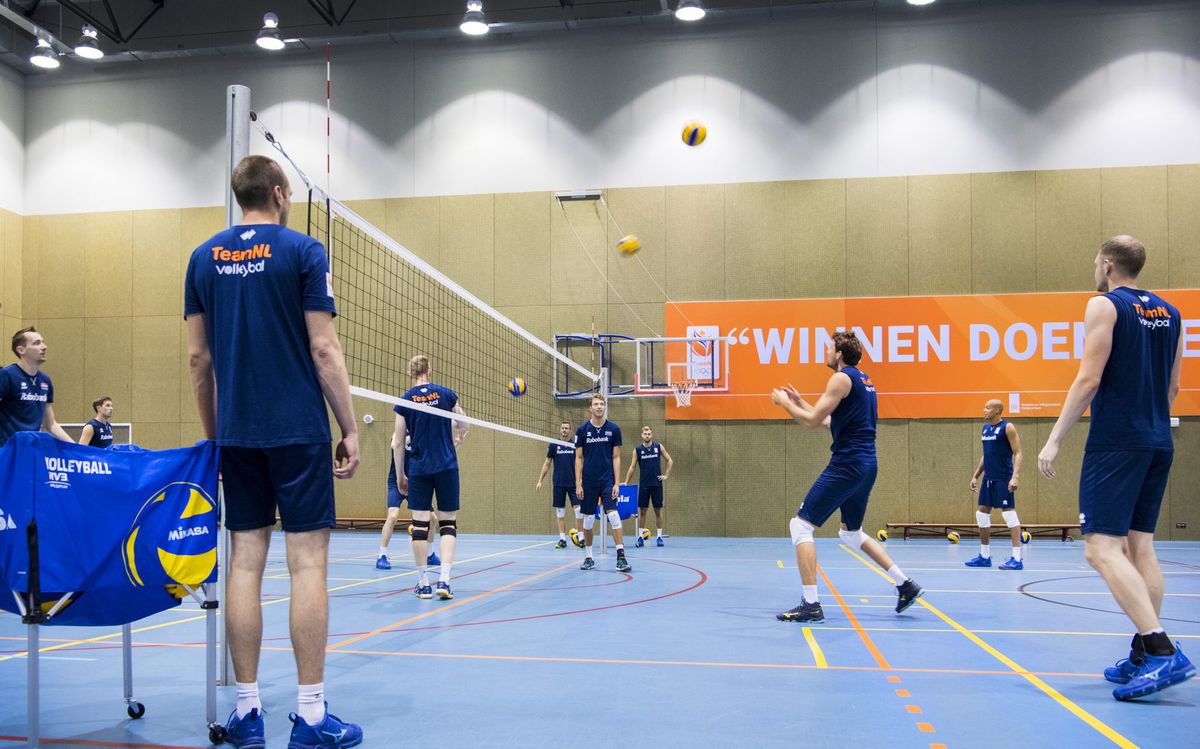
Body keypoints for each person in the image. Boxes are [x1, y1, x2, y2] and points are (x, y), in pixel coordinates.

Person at [185, 155, 363, 747]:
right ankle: (311, 716)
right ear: (281, 194)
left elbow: (199, 360)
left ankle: (248, 713)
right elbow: (324, 350)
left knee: (244, 563)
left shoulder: (202, 257)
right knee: (307, 564)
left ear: (241, 195)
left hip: (238, 433)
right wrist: (349, 427)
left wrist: (215, 434)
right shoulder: (304, 251)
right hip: (297, 433)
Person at [1038, 235, 1193, 701]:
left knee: (1100, 549)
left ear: (1108, 264)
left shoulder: (1104, 305)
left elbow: (1088, 378)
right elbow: (1173, 386)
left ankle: (1163, 651)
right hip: (1156, 439)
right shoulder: (1171, 313)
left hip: (1117, 443)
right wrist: (1152, 429)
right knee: (1140, 547)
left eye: (1094, 260)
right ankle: (1143, 656)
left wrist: (1053, 439)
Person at [771, 331, 922, 623]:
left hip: (847, 464)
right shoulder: (864, 380)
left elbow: (813, 423)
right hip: (866, 465)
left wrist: (784, 404)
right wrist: (801, 402)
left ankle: (811, 604)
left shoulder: (840, 378)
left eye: (829, 348)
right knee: (850, 533)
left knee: (800, 526)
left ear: (839, 353)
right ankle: (906, 584)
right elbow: (830, 422)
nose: (826, 353)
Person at [393, 354, 467, 600]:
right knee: (448, 525)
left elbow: (397, 443)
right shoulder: (446, 394)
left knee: (420, 527)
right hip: (446, 466)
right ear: (430, 371)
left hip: (419, 468)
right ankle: (444, 580)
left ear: (409, 372)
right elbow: (463, 422)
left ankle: (423, 583)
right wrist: (458, 438)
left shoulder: (405, 400)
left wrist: (401, 474)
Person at [575, 394, 631, 572]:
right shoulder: (582, 430)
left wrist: (616, 483)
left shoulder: (614, 429)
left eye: (601, 404)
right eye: (595, 404)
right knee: (589, 521)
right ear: (590, 407)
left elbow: (616, 457)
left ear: (605, 406)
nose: (599, 407)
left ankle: (621, 557)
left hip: (607, 480)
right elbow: (578, 458)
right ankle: (589, 557)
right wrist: (578, 483)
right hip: (589, 482)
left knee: (613, 515)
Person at [965, 399, 1024, 570]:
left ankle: (1017, 558)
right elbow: (986, 455)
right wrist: (976, 475)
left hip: (1003, 478)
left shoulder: (1008, 427)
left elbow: (1018, 453)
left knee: (1009, 515)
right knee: (982, 514)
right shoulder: (985, 429)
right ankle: (984, 556)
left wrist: (1015, 477)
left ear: (997, 410)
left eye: (988, 407)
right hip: (988, 479)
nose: (984, 410)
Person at [0, 327, 73, 447]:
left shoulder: (45, 381)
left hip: (31, 450)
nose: (44, 347)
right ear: (21, 350)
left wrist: (77, 447)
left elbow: (51, 425)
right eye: (37, 343)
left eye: (43, 342)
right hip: (6, 451)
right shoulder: (6, 375)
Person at [376, 435, 440, 570]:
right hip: (397, 482)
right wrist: (409, 438)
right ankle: (382, 555)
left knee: (433, 519)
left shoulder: (423, 437)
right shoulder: (399, 433)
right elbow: (394, 445)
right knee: (392, 516)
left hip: (415, 484)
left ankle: (430, 554)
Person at [537, 421, 584, 548]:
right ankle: (562, 539)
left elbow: (581, 463)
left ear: (569, 430)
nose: (564, 430)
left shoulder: (575, 445)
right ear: (560, 429)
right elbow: (547, 463)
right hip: (558, 483)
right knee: (560, 512)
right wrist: (540, 480)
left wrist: (580, 480)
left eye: (567, 428)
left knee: (579, 511)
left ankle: (581, 537)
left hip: (573, 483)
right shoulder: (553, 445)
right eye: (562, 428)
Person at [623, 425, 673, 547]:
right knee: (643, 511)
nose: (647, 435)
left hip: (657, 484)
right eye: (645, 433)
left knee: (657, 511)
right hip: (644, 485)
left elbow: (669, 460)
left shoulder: (658, 447)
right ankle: (640, 536)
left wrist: (666, 475)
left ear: (652, 434)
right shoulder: (637, 450)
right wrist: (625, 482)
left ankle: (659, 537)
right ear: (641, 435)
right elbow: (632, 467)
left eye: (649, 433)